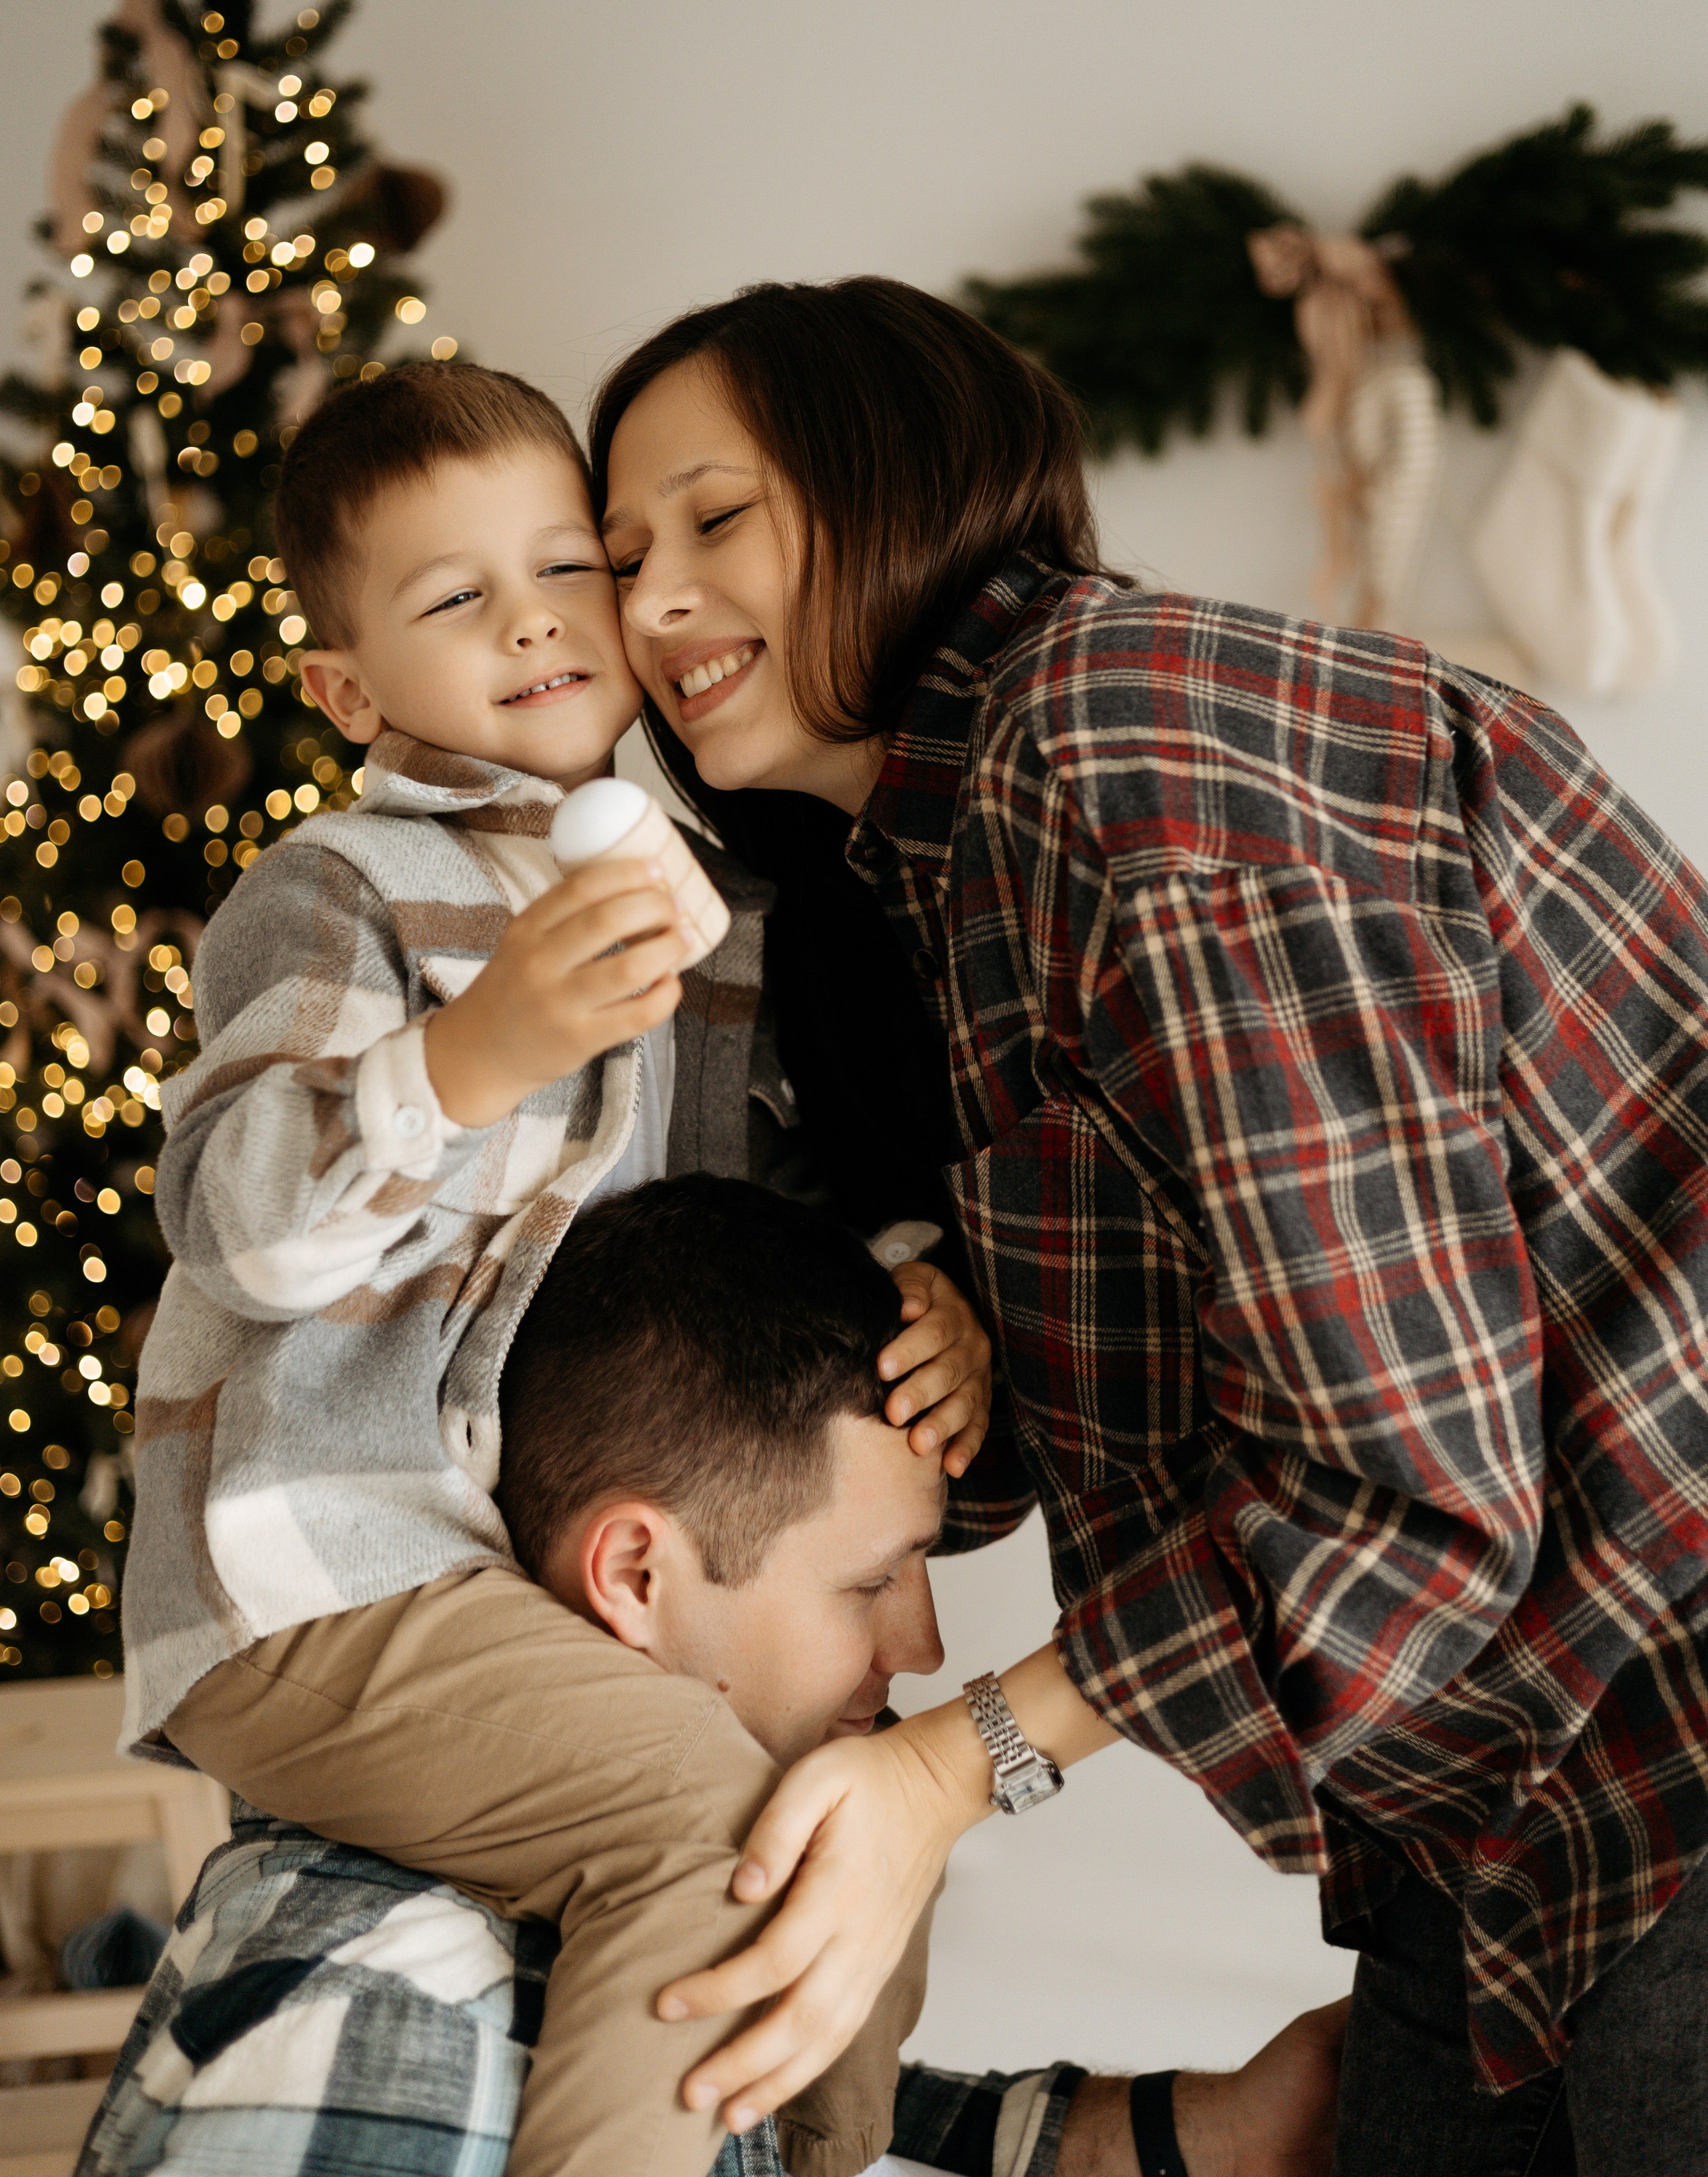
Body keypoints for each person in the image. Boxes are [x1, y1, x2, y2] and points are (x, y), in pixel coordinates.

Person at [588, 277, 1708, 2177]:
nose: (654, 607)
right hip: (1501, 1835)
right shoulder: (919, 891)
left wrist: (950, 1775)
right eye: (620, 557)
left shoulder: (1123, 750)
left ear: (902, 488)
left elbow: (1409, 1495)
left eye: (715, 520)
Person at [124, 359, 989, 2177]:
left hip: (520, 1576)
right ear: (346, 687)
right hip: (323, 1568)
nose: (532, 624)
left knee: (849, 1828)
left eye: (564, 572)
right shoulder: (336, 889)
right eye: (457, 600)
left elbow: (760, 1215)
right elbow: (238, 1223)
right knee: (711, 1821)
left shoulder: (706, 897)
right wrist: (469, 1054)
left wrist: (918, 1288)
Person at [85, 1173, 1346, 2177]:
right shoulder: (384, 2018)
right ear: (636, 1575)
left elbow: (735, 2093)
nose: (925, 1649)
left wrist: (1189, 2140)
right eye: (870, 1582)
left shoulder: (584, 1921)